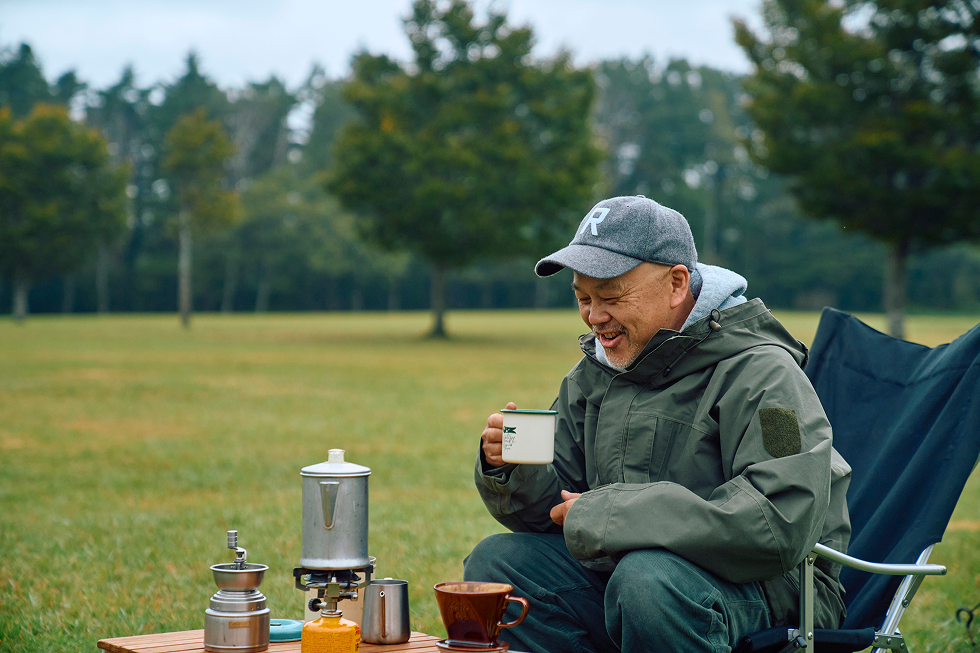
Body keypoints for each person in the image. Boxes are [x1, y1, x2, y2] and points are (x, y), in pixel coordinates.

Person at [464, 195, 852, 653]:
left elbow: (777, 525)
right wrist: (513, 467)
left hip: (772, 590)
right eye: (583, 298)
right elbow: (557, 516)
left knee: (648, 581)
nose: (594, 316)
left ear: (676, 283)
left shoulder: (766, 377)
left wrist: (613, 516)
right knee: (499, 564)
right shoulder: (594, 375)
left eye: (610, 297)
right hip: (632, 576)